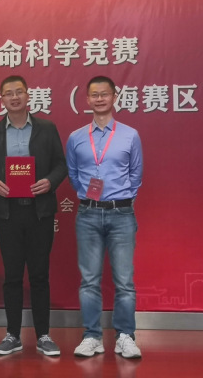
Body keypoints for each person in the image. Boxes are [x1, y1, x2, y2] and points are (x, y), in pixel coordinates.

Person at [0, 75, 68, 357]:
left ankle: (43, 335)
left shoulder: (46, 128)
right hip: (8, 213)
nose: (14, 97)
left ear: (28, 95)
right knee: (12, 276)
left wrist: (50, 182)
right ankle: (13, 335)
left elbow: (61, 164)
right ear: (1, 99)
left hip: (39, 211)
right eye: (9, 93)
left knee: (40, 274)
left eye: (19, 91)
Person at [66, 75, 143, 359]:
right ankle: (92, 336)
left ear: (114, 97)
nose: (99, 99)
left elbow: (136, 175)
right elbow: (74, 175)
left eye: (105, 94)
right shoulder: (76, 137)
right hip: (87, 214)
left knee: (124, 282)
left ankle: (125, 336)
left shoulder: (130, 135)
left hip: (121, 214)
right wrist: (89, 197)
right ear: (87, 99)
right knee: (89, 281)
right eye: (94, 95)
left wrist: (121, 198)